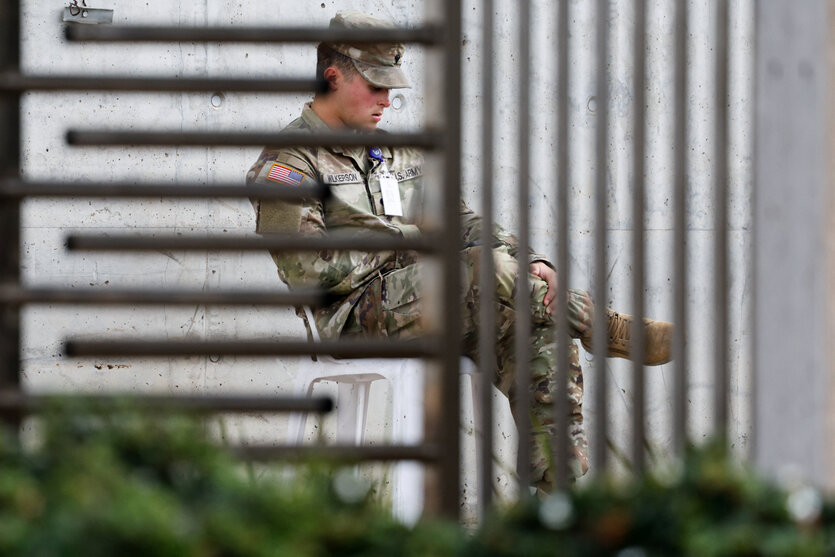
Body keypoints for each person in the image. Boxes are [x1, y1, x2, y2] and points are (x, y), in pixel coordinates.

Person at [246, 10, 672, 494]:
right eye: (376, 86)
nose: (387, 101)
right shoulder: (287, 166)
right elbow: (313, 275)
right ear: (332, 77)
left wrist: (531, 259)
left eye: (392, 89)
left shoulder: (396, 153)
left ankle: (562, 504)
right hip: (351, 318)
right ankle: (600, 323)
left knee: (535, 328)